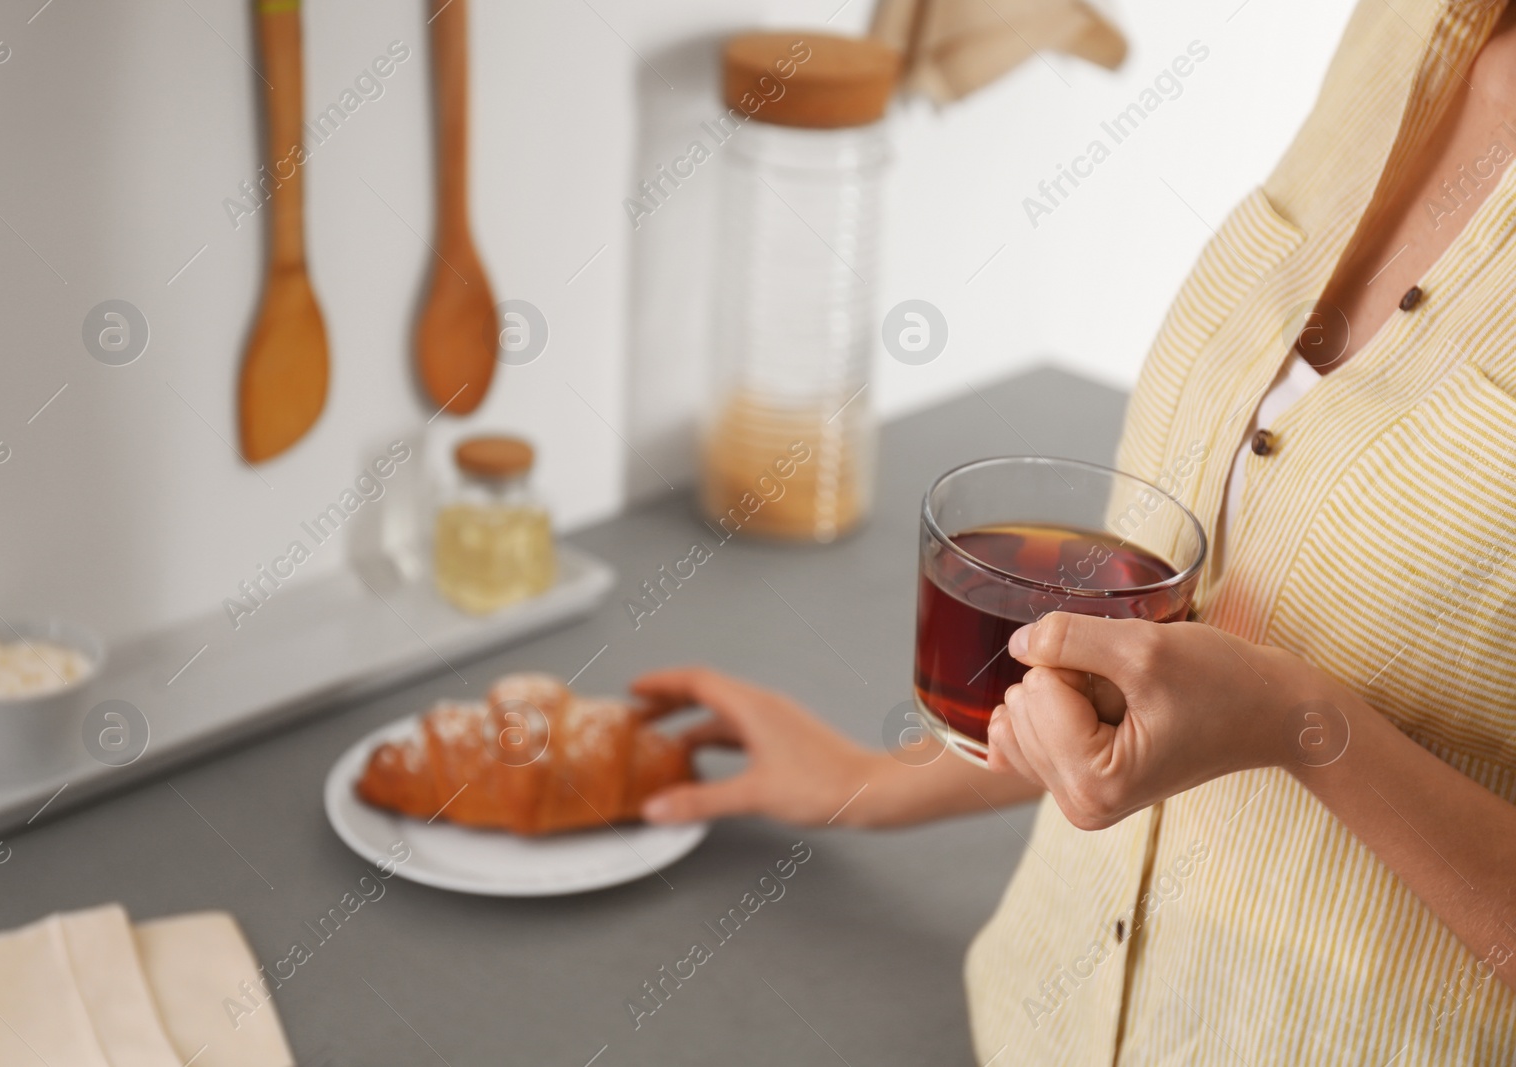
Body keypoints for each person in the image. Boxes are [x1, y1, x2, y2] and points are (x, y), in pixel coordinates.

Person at [633, 0, 1516, 1061]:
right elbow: (1152, 665)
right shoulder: (1406, 29)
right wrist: (868, 779)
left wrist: (1302, 727)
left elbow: (1268, 702)